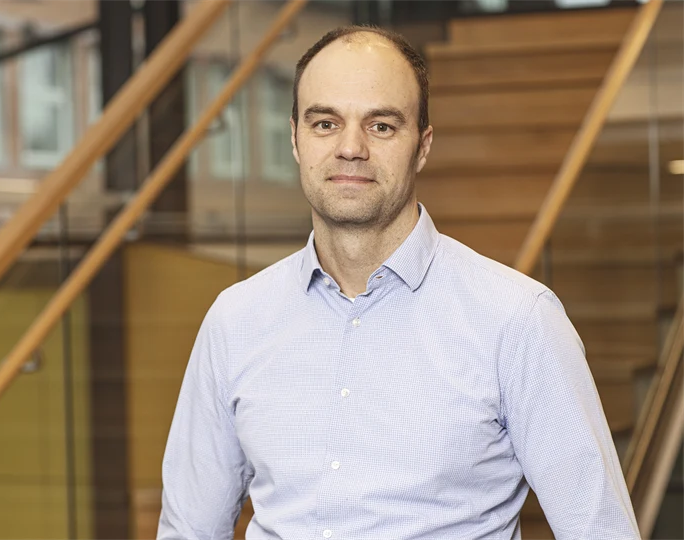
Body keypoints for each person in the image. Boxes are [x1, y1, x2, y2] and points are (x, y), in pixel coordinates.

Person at [156, 24, 641, 540]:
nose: (350, 148)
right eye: (325, 123)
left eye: (382, 126)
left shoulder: (518, 320)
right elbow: (189, 529)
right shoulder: (236, 319)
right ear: (295, 139)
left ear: (423, 146)